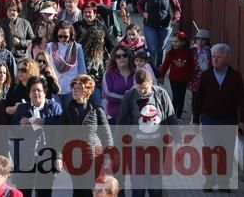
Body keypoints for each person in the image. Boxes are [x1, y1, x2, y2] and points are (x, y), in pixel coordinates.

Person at [192, 43, 244, 192]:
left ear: (227, 59)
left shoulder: (235, 77)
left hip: (228, 119)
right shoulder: (206, 75)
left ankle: (224, 182)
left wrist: (243, 121)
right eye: (213, 57)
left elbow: (242, 100)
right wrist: (195, 120)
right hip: (210, 119)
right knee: (209, 150)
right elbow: (198, 98)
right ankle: (209, 180)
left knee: (226, 151)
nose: (215, 60)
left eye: (219, 57)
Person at [118, 69, 178, 197]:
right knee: (138, 183)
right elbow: (122, 121)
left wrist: (177, 136)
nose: (142, 91)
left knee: (155, 182)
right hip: (136, 145)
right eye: (139, 88)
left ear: (151, 82)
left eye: (145, 88)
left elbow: (171, 116)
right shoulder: (129, 96)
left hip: (157, 145)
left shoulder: (161, 94)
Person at [60, 75, 113, 196]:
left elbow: (106, 135)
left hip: (94, 157)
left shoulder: (96, 110)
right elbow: (60, 135)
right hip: (74, 157)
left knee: (91, 189)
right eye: (73, 88)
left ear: (86, 91)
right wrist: (59, 156)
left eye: (78, 88)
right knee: (78, 189)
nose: (74, 90)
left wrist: (109, 156)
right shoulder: (67, 111)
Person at [10, 76, 62, 197]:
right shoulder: (22, 108)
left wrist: (45, 122)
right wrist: (20, 124)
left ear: (45, 93)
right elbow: (12, 129)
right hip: (25, 158)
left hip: (47, 157)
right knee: (23, 192)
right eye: (33, 90)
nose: (36, 93)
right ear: (29, 93)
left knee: (44, 192)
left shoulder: (55, 108)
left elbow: (61, 129)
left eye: (39, 90)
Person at [136, 0, 181, 66]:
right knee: (152, 48)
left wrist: (174, 19)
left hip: (165, 25)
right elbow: (139, 4)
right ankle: (151, 69)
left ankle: (160, 70)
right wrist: (143, 13)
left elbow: (176, 7)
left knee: (161, 48)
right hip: (150, 25)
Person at [101, 46, 135, 124]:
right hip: (115, 115)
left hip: (133, 115)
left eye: (125, 55)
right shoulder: (108, 74)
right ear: (114, 59)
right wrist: (127, 99)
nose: (122, 58)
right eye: (118, 56)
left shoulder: (136, 72)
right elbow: (108, 94)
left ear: (129, 57)